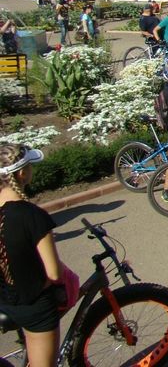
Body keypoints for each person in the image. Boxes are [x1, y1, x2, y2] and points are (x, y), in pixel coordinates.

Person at [0, 144, 63, 367]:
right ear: (21, 173)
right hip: (34, 306)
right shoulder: (33, 215)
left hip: (4, 299)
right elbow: (54, 273)